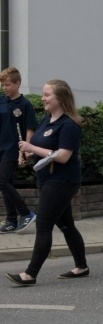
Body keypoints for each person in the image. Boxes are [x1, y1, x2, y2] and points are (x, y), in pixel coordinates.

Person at [5, 80, 89, 286]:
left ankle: (30, 274)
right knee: (67, 225)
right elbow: (37, 144)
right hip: (47, 179)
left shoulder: (69, 124)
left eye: (46, 95)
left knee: (43, 226)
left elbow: (63, 156)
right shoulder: (47, 120)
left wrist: (32, 149)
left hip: (62, 180)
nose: (42, 98)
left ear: (59, 98)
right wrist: (26, 149)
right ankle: (82, 266)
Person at [0, 67, 38, 234]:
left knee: (2, 181)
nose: (4, 88)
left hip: (13, 149)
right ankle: (11, 220)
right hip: (1, 147)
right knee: (6, 183)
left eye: (7, 84)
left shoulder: (25, 104)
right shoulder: (2, 102)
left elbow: (30, 128)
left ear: (18, 84)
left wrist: (27, 150)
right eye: (2, 85)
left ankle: (25, 213)